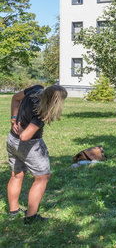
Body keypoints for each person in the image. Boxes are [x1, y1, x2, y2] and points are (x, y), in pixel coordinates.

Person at [7, 85, 67, 224]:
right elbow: (25, 137)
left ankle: (13, 210)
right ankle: (31, 217)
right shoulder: (41, 113)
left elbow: (15, 98)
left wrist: (14, 118)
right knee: (42, 178)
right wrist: (22, 130)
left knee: (17, 174)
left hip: (11, 140)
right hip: (29, 146)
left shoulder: (35, 89)